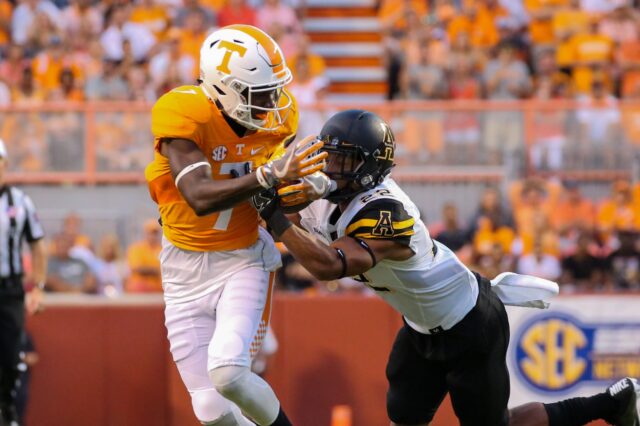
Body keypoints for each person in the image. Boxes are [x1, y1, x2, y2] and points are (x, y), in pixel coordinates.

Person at [251, 110, 640, 426]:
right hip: (420, 324)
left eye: (345, 160)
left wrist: (274, 213)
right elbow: (299, 226)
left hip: (470, 323)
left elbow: (328, 264)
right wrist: (271, 191)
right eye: (330, 155)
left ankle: (612, 402)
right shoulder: (330, 191)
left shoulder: (387, 212)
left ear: (370, 167)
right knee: (403, 416)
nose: (332, 167)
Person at [145, 24, 327, 426]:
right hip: (182, 268)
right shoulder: (185, 112)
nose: (272, 102)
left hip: (242, 257)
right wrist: (270, 175)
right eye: (259, 93)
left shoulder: (278, 120)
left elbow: (275, 198)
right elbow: (199, 195)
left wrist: (305, 191)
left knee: (229, 373)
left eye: (274, 90)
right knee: (209, 409)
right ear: (223, 87)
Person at [0, 139, 47, 426]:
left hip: (9, 289)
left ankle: (6, 407)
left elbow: (38, 245)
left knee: (8, 355)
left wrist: (38, 288)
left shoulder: (20, 201)